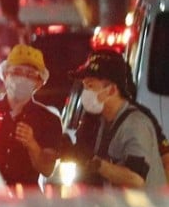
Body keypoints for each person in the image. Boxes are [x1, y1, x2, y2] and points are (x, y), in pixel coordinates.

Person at [63, 50, 167, 191]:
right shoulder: (100, 119)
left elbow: (135, 179)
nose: (85, 92)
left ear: (111, 90)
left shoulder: (136, 123)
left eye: (90, 86)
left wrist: (94, 163)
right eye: (84, 86)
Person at [0, 45, 62, 189]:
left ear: (39, 83)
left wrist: (32, 145)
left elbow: (47, 170)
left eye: (30, 75)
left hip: (25, 203)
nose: (22, 78)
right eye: (17, 72)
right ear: (5, 76)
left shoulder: (49, 121)